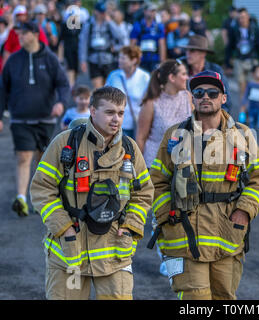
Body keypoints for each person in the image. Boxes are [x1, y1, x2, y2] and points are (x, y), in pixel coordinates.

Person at [148, 70, 259, 300]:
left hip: (227, 232)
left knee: (224, 296)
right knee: (196, 298)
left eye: (213, 92)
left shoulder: (243, 135)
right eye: (199, 92)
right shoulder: (174, 135)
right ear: (192, 98)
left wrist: (244, 211)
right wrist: (167, 215)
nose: (205, 96)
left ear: (223, 98)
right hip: (184, 232)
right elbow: (157, 182)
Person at [30, 86, 154, 300]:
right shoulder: (65, 144)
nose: (116, 119)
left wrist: (130, 227)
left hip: (115, 252)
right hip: (70, 254)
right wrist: (64, 228)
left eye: (121, 113)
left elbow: (143, 194)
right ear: (93, 111)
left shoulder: (130, 149)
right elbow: (42, 188)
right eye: (109, 112)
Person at [0, 21, 70, 217]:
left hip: (46, 119)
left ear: (35, 34)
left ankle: (40, 199)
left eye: (23, 34)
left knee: (42, 160)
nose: (19, 37)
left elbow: (63, 84)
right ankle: (21, 199)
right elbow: (2, 89)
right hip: (20, 119)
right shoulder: (13, 60)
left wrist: (61, 103)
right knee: (23, 157)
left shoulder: (50, 59)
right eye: (18, 34)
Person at [135, 59, 192, 276]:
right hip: (155, 165)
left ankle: (181, 251)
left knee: (184, 209)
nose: (187, 77)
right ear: (172, 78)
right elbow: (140, 137)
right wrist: (138, 170)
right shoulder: (151, 103)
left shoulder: (188, 98)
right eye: (184, 74)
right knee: (161, 212)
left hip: (185, 163)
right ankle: (166, 255)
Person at [105, 45, 150, 139]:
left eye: (123, 58)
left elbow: (148, 101)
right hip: (116, 123)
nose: (119, 60)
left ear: (133, 60)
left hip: (137, 124)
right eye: (119, 57)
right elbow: (105, 96)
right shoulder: (114, 75)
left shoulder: (144, 77)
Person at [179, 34, 232, 112]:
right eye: (186, 50)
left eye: (192, 50)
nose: (188, 53)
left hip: (210, 114)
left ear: (203, 53)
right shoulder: (179, 67)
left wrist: (217, 119)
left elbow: (226, 101)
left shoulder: (216, 70)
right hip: (184, 116)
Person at [79, 2, 123, 88]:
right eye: (100, 12)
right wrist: (82, 60)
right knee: (97, 89)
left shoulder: (109, 24)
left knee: (108, 88)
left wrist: (110, 22)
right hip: (93, 59)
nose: (102, 15)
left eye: (104, 12)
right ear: (95, 12)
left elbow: (120, 36)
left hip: (108, 59)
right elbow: (83, 43)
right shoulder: (89, 25)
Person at [225, 7, 259, 98]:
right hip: (239, 59)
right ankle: (243, 110)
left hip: (252, 60)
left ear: (248, 16)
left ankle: (250, 109)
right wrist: (228, 64)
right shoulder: (234, 29)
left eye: (243, 17)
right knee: (241, 86)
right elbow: (230, 46)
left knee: (252, 86)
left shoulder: (255, 28)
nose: (241, 20)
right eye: (239, 18)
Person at [129, 2, 166, 73]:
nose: (153, 13)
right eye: (151, 10)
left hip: (154, 59)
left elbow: (162, 44)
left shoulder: (159, 26)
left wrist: (162, 61)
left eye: (154, 11)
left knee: (154, 81)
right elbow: (132, 44)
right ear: (145, 11)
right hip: (141, 59)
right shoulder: (137, 25)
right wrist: (132, 60)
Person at [60, 1, 89, 87]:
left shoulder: (82, 25)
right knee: (70, 67)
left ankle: (73, 83)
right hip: (68, 48)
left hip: (78, 48)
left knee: (76, 69)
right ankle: (71, 85)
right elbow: (61, 39)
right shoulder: (65, 25)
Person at [240, 65, 259, 131]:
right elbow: (245, 95)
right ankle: (251, 140)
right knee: (251, 125)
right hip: (251, 108)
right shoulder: (250, 84)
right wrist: (243, 107)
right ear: (253, 74)